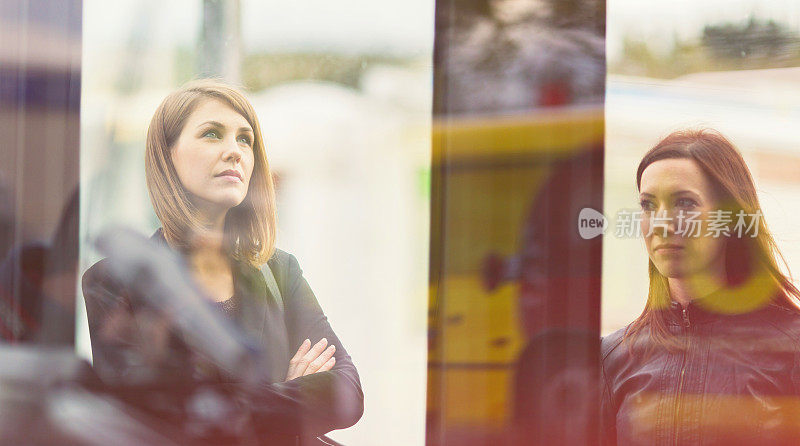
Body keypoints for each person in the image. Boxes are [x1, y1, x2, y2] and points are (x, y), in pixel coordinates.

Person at [82, 79, 363, 444]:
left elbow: (347, 395)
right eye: (212, 134)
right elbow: (159, 422)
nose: (236, 151)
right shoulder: (114, 280)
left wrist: (229, 406)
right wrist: (288, 396)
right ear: (168, 155)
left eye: (245, 139)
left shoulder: (281, 270)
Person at [601, 129, 800, 445]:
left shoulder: (791, 348)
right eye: (648, 204)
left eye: (684, 202)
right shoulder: (612, 357)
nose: (663, 223)